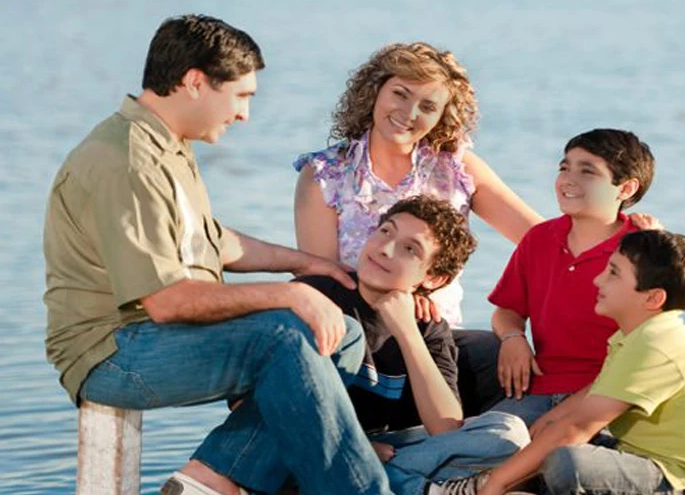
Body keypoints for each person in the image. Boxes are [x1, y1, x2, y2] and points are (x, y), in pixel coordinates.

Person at [42, 14, 391, 495]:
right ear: (195, 82)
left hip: (149, 335)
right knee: (284, 338)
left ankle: (208, 481)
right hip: (112, 352)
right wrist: (290, 295)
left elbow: (211, 240)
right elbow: (167, 301)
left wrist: (307, 264)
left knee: (342, 335)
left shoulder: (166, 144)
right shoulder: (128, 160)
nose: (244, 114)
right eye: (241, 95)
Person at [197, 196, 531, 495]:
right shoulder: (317, 295)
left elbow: (444, 427)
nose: (385, 249)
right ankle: (423, 489)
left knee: (508, 433)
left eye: (409, 249)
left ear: (433, 278)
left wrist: (407, 333)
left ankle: (386, 482)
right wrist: (350, 446)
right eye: (385, 231)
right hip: (309, 443)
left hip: (386, 450)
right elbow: (246, 405)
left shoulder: (428, 326)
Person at [293, 41, 544, 417]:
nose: (409, 113)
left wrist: (624, 232)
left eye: (427, 106)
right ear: (375, 90)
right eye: (400, 94)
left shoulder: (457, 169)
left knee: (496, 357)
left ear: (442, 116)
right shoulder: (325, 174)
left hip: (436, 339)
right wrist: (401, 294)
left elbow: (541, 240)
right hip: (358, 337)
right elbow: (322, 278)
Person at [446, 230, 685, 495]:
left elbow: (576, 427)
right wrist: (546, 425)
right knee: (543, 437)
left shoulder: (657, 345)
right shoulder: (634, 336)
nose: (597, 279)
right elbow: (581, 404)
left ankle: (488, 486)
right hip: (644, 459)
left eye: (613, 273)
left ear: (653, 298)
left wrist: (496, 483)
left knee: (567, 462)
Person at [488, 128, 657, 428]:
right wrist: (513, 338)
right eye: (564, 168)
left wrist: (661, 250)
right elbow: (507, 310)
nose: (568, 179)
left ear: (626, 188)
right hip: (539, 391)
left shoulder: (643, 247)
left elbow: (656, 340)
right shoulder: (539, 238)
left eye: (587, 172)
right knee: (490, 436)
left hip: (610, 399)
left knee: (550, 450)